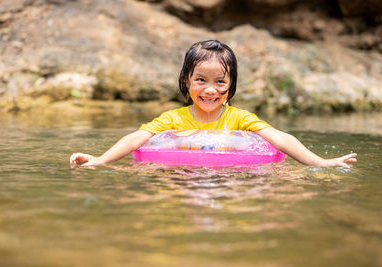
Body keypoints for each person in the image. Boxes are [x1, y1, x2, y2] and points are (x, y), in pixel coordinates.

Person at [70, 40, 357, 168]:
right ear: (186, 82)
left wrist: (322, 163)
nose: (210, 90)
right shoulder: (173, 119)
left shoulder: (241, 119)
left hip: (233, 175)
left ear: (231, 85)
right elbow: (136, 139)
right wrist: (100, 160)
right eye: (201, 81)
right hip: (182, 175)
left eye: (220, 82)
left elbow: (279, 140)